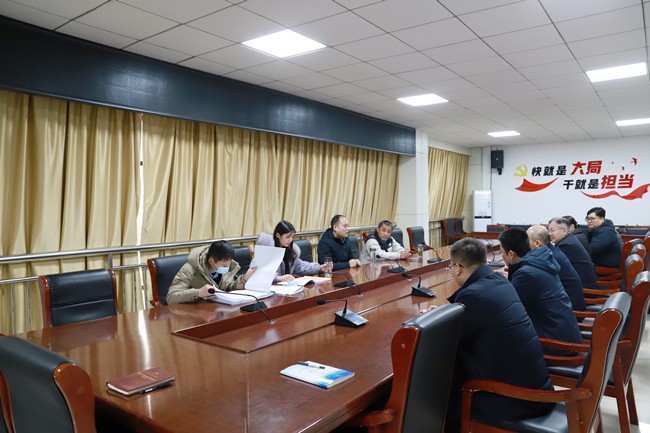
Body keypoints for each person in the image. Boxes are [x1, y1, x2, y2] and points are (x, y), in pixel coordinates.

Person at [443, 238, 553, 433]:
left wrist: (434, 319)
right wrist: (443, 314)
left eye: (451, 266)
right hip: (537, 387)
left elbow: (446, 341)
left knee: (444, 390)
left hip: (517, 401)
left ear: (458, 268)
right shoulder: (500, 281)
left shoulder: (473, 295)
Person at [498, 228, 581, 346]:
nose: (501, 255)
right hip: (562, 331)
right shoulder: (539, 262)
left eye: (501, 252)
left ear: (511, 254)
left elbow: (506, 306)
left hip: (556, 342)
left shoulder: (527, 273)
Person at [167, 240, 255, 304]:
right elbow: (171, 297)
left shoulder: (228, 263)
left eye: (229, 263)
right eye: (224, 266)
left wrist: (244, 279)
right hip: (196, 314)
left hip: (218, 310)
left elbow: (230, 286)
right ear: (211, 261)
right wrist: (198, 293)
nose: (227, 268)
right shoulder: (189, 269)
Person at [527, 225, 586, 311]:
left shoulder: (548, 257)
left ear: (537, 243)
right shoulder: (551, 251)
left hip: (569, 307)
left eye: (526, 240)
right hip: (567, 301)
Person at [251, 220, 326, 283]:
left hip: (284, 288)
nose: (290, 240)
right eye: (287, 237)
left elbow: (300, 266)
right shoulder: (266, 250)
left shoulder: (290, 251)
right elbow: (258, 272)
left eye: (292, 237)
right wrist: (278, 278)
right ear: (278, 235)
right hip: (268, 288)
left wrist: (319, 267)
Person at [549, 217, 597, 289]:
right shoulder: (569, 239)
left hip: (582, 288)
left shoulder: (566, 245)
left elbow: (553, 266)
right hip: (581, 283)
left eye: (552, 230)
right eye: (549, 230)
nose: (549, 234)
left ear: (564, 231)